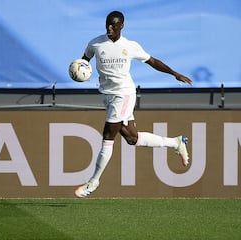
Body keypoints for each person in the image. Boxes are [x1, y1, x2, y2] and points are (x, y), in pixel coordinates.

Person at [75, 11, 193, 198]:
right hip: (108, 96)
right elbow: (84, 60)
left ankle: (94, 181)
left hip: (124, 94)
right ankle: (176, 143)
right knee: (132, 139)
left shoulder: (129, 46)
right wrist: (80, 70)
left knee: (108, 135)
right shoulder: (95, 43)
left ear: (122, 26)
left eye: (113, 25)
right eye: (107, 24)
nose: (109, 28)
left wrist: (174, 73)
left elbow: (152, 61)